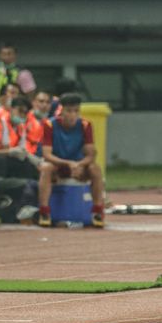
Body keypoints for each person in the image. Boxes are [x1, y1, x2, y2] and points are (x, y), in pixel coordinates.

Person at [37, 93, 105, 228]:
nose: (73, 115)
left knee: (95, 168)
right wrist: (68, 163)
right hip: (58, 165)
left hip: (78, 166)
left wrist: (79, 164)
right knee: (46, 168)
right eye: (69, 111)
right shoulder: (50, 125)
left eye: (76, 111)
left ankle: (97, 211)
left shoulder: (85, 125)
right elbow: (47, 154)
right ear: (62, 111)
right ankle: (44, 212)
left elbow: (91, 154)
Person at [25, 89, 51, 156]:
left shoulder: (50, 122)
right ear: (33, 102)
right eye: (41, 101)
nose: (45, 105)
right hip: (28, 155)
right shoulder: (24, 119)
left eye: (48, 102)